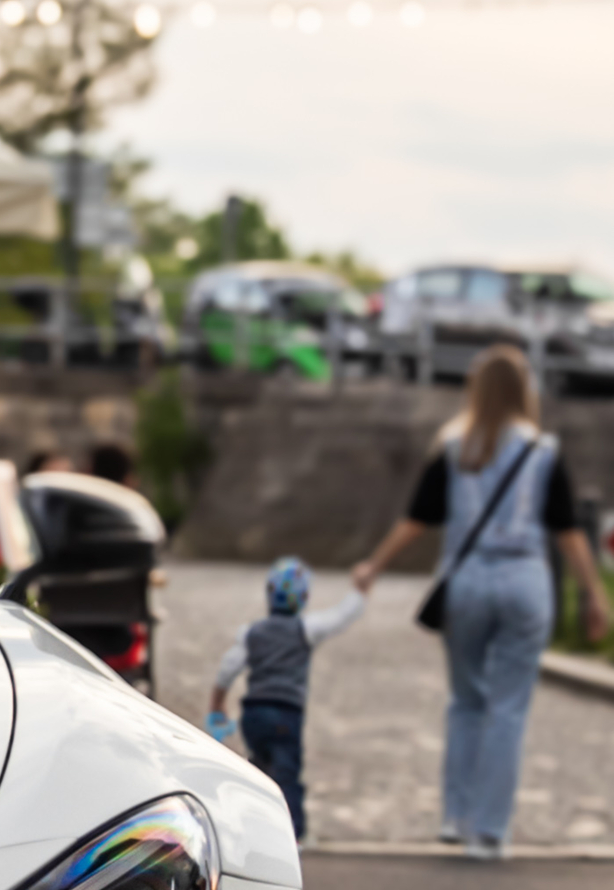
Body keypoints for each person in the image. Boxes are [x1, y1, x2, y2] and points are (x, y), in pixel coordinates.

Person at [353, 342, 608, 855]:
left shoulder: (453, 447)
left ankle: (455, 816)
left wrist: (374, 565)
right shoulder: (543, 452)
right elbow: (568, 532)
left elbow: (417, 519)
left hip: (466, 582)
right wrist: (594, 593)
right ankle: (490, 832)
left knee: (466, 701)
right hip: (524, 582)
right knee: (508, 708)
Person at [207, 556, 362, 843]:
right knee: (287, 773)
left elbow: (227, 669)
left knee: (258, 772)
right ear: (304, 597)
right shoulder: (306, 629)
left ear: (268, 594)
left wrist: (217, 704)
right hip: (286, 714)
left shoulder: (251, 633)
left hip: (253, 713)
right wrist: (358, 591)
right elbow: (340, 618)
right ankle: (294, 835)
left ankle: (251, 829)